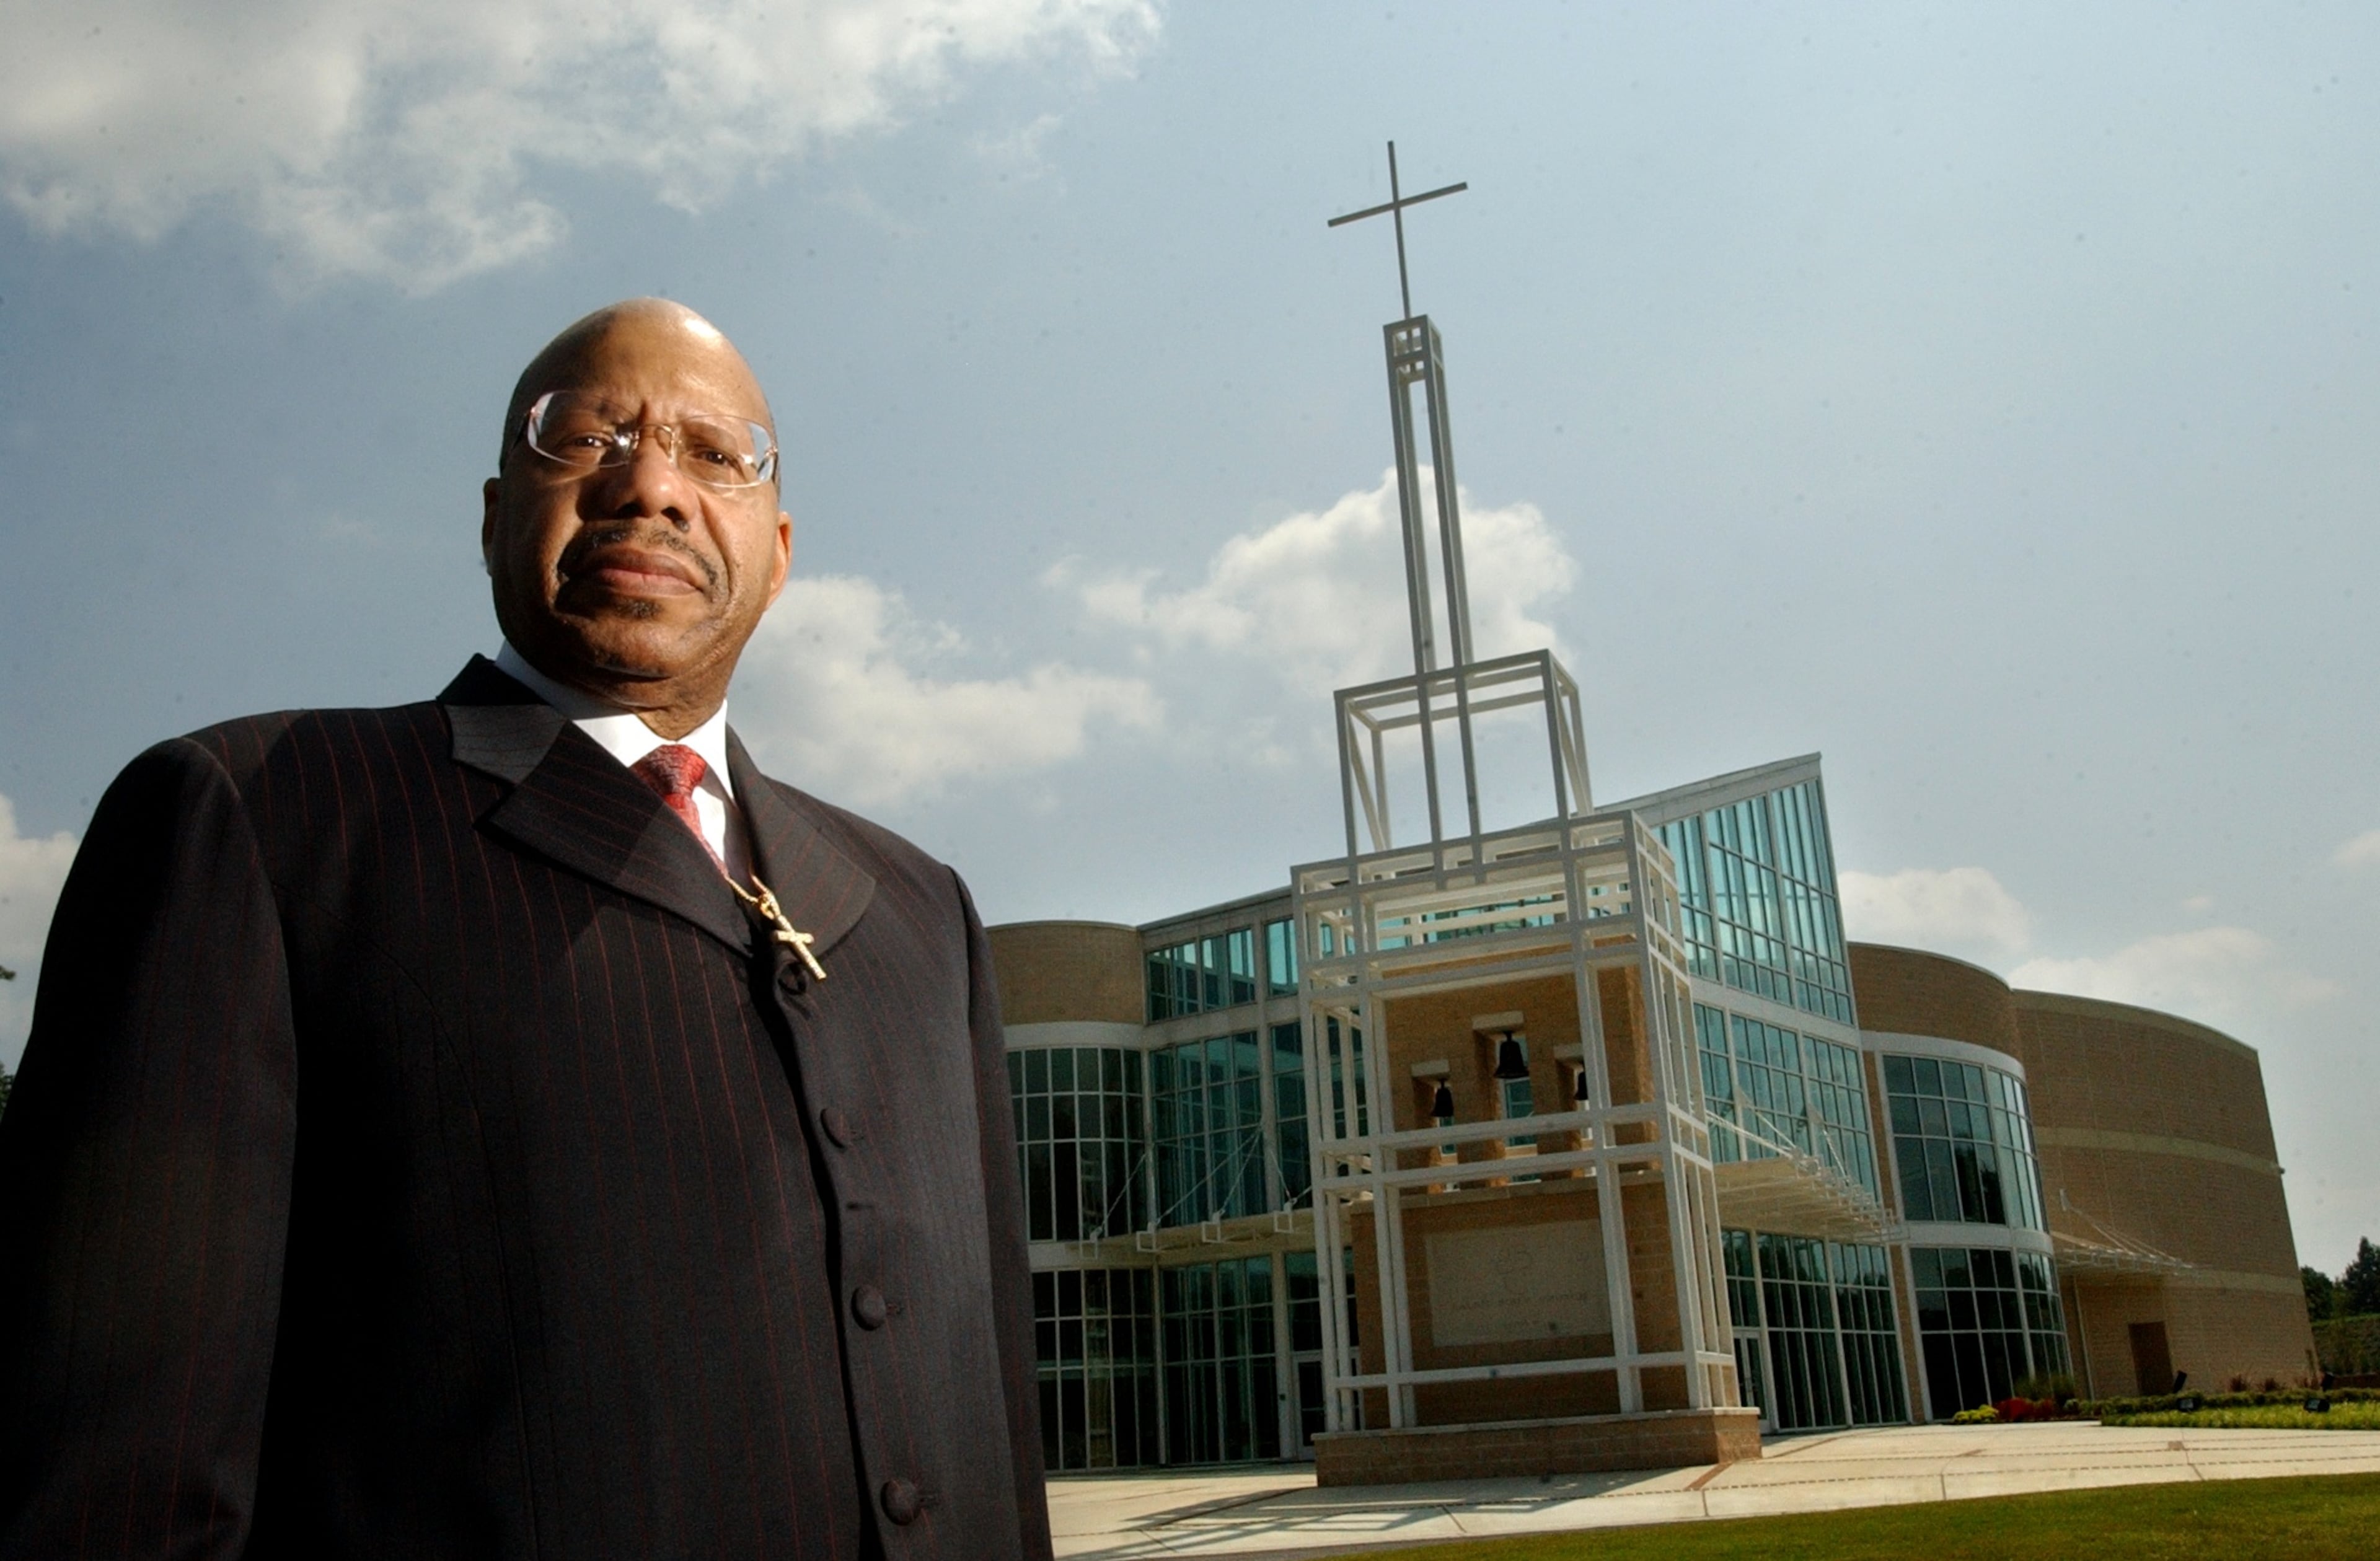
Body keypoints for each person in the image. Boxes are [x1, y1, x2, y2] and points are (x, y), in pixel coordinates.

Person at [0, 300, 1051, 1560]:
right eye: (587, 439)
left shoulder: (922, 908)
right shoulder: (261, 818)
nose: (650, 485)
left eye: (714, 456)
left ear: (777, 552)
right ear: (496, 513)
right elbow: (118, 1484)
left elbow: (993, 1414)